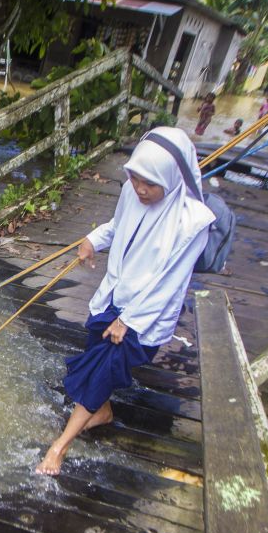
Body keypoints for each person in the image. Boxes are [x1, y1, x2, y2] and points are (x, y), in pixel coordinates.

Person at [36, 127, 215, 475]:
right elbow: (119, 227)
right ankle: (101, 413)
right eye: (135, 179)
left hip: (145, 315)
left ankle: (59, 447)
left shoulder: (193, 222)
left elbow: (171, 282)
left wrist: (130, 319)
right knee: (93, 349)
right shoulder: (133, 194)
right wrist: (92, 239)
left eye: (150, 183)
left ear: (173, 177)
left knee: (100, 372)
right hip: (115, 295)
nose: (141, 189)